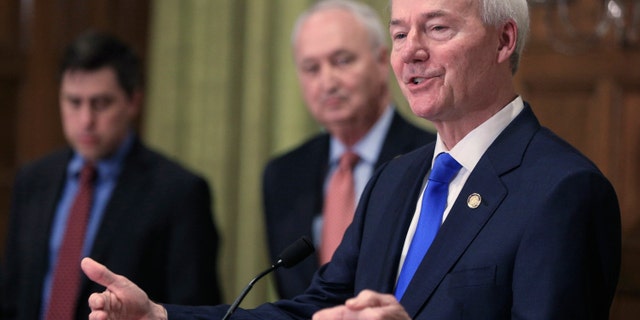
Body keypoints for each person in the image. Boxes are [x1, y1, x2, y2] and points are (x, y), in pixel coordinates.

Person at [80, 0, 622, 318]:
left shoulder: (563, 191)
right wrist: (161, 315)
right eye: (400, 32)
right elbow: (312, 311)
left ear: (505, 41)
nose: (410, 51)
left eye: (437, 28)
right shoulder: (397, 179)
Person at [0, 31, 222, 320]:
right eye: (73, 102)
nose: (86, 120)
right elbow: (11, 296)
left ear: (133, 102)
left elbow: (194, 307)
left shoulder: (179, 192)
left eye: (101, 103)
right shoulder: (32, 181)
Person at [262, 0, 435, 299]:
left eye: (342, 61)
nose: (327, 82)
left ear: (383, 61)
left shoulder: (433, 159)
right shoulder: (282, 174)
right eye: (311, 68)